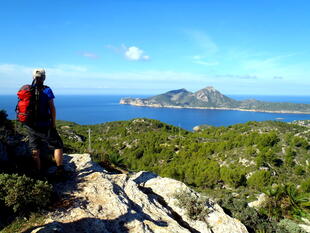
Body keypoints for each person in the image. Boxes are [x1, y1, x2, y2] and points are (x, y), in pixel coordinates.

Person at [24, 68, 65, 176]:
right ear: (44, 78)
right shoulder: (47, 90)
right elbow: (52, 108)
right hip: (44, 124)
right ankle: (60, 169)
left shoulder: (27, 89)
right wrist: (53, 123)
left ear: (33, 77)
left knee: (34, 147)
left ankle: (38, 172)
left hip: (30, 125)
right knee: (58, 145)